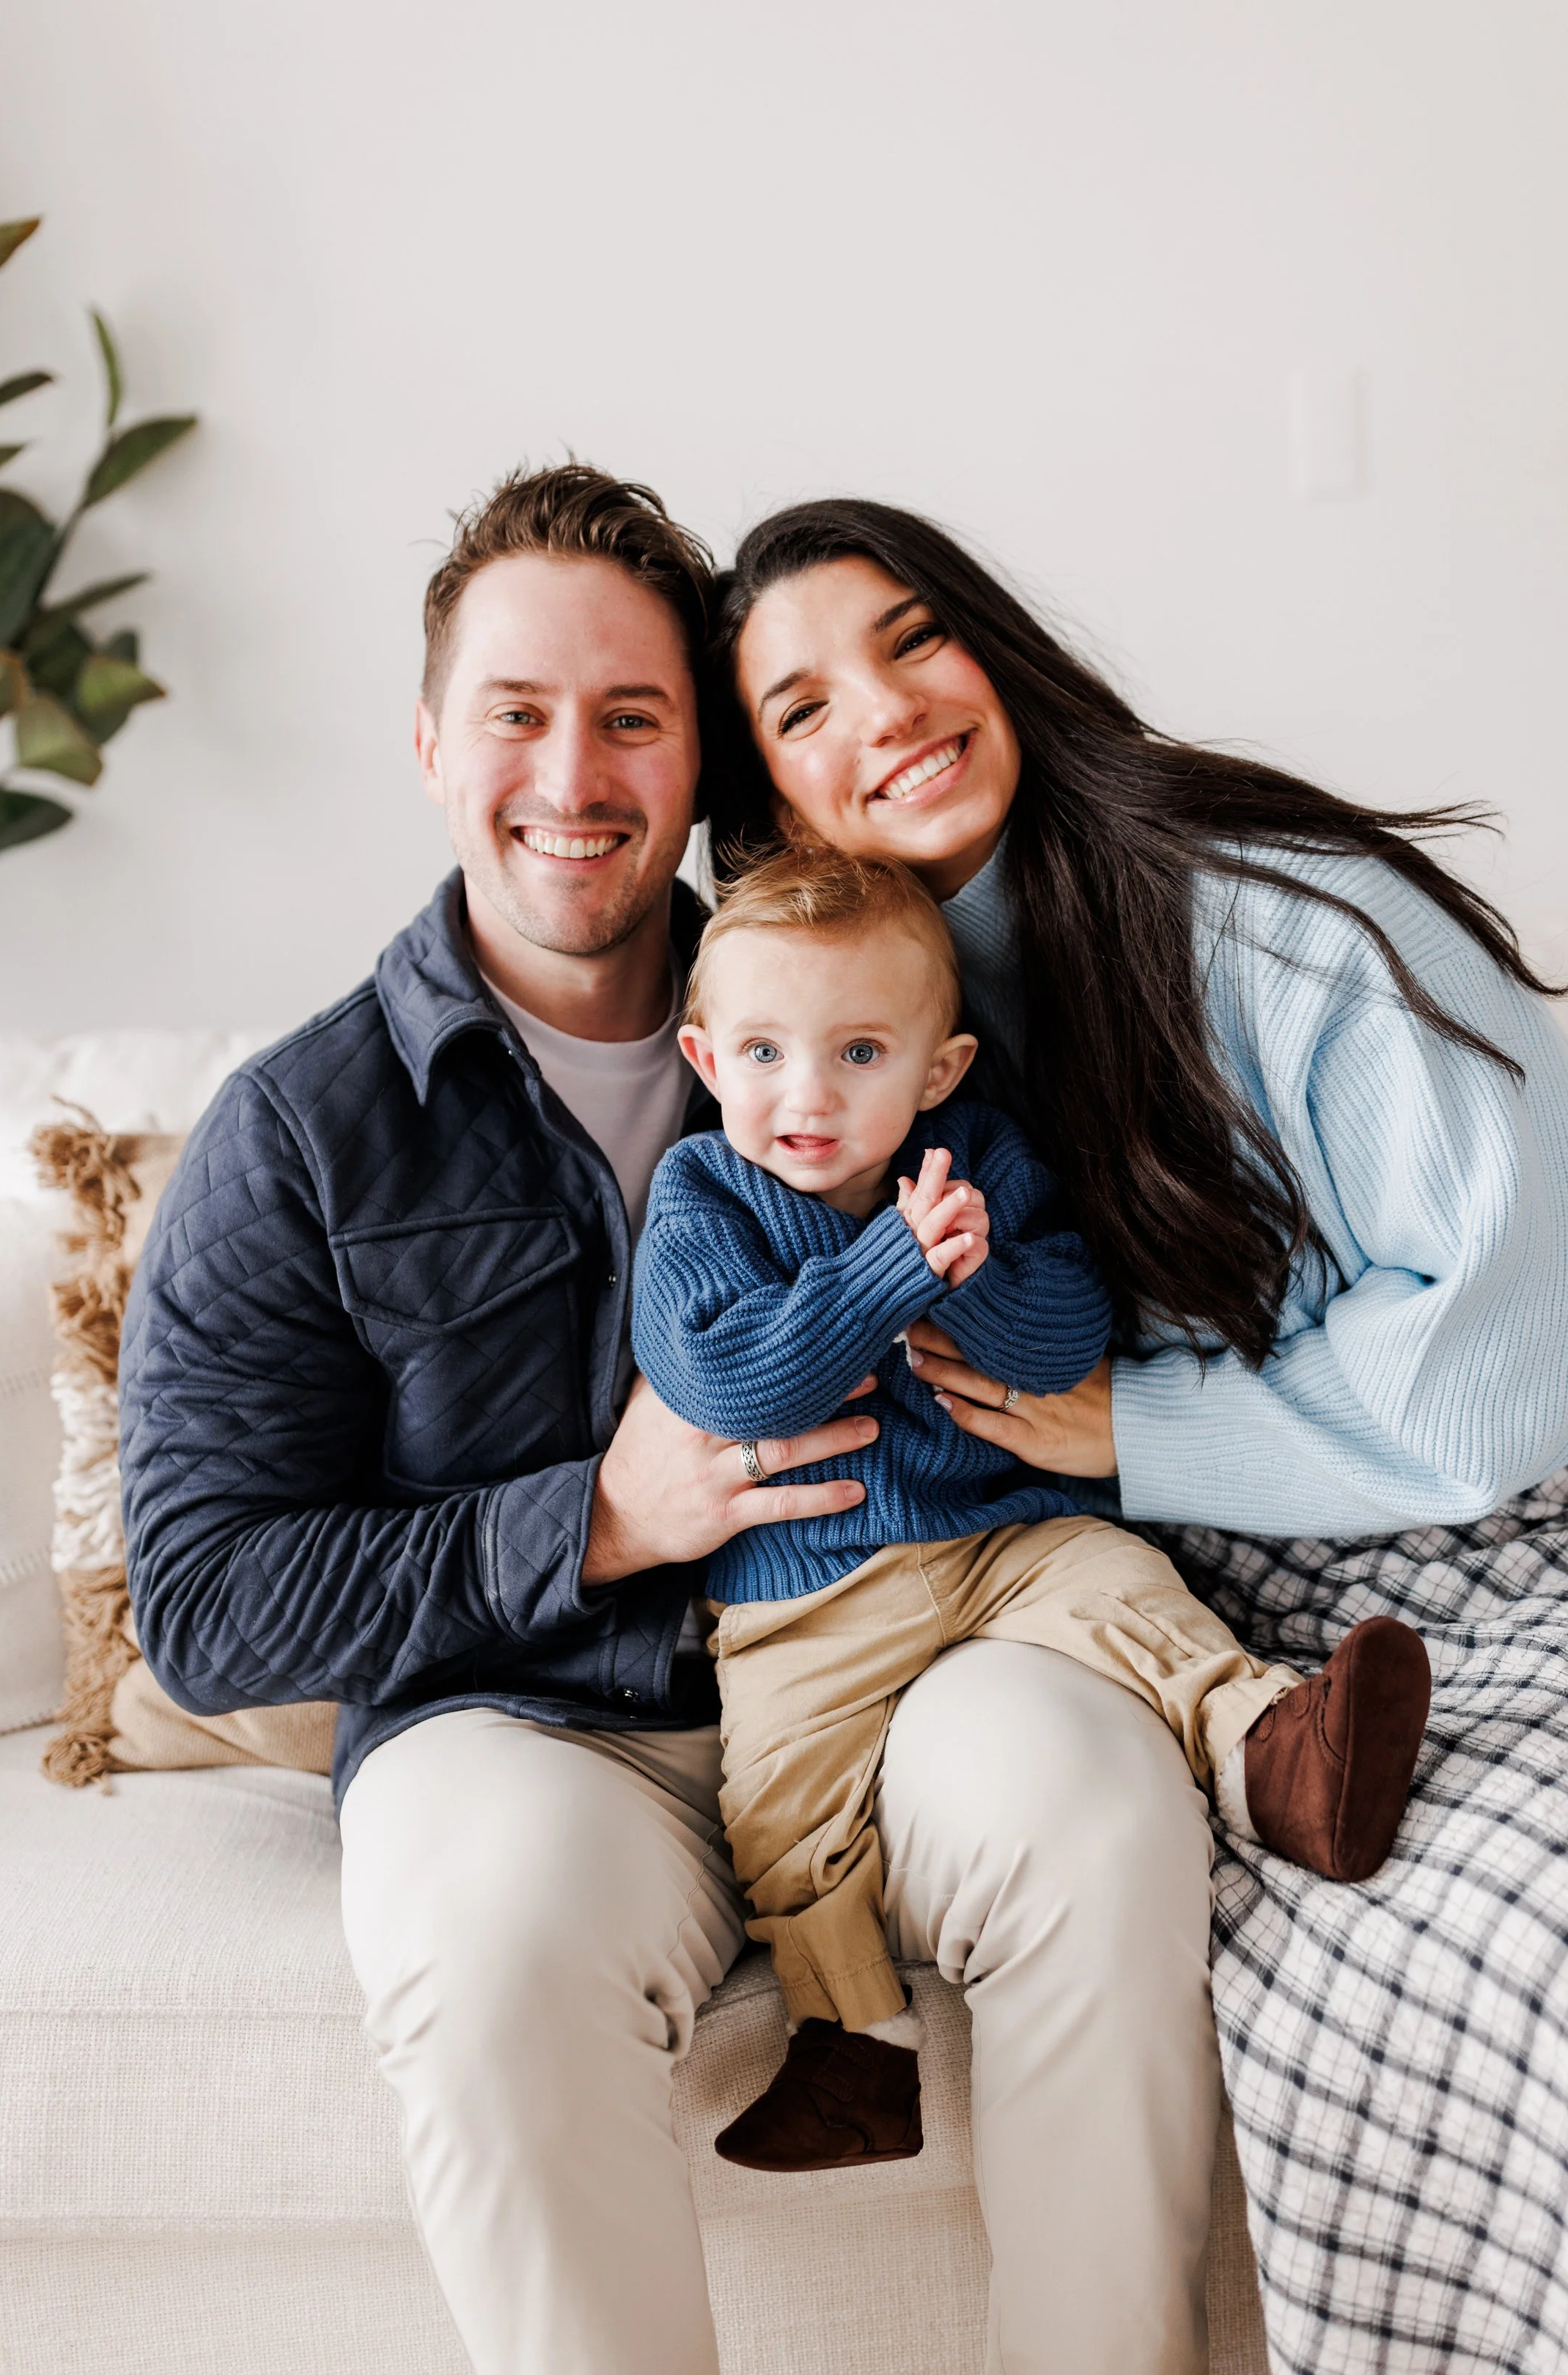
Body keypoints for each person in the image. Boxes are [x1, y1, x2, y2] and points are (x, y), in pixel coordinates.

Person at [119, 463, 1231, 2375]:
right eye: (518, 712)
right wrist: (597, 1520)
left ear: (701, 747)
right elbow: (209, 1602)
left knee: (1096, 1796)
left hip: (897, 1651)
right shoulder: (300, 1132)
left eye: (633, 714)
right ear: (427, 739)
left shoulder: (890, 1003)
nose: (577, 768)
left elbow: (1103, 1283)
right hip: (539, 1728)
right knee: (489, 1916)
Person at [704, 495, 1568, 2371]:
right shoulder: (865, 1037)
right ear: (775, 809)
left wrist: (1140, 1430)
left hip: (1481, 1558)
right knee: (1405, 1961)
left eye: (915, 637)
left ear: (998, 649)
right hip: (1190, 1620)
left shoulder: (1278, 918)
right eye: (800, 705)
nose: (887, 710)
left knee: (1534, 1952)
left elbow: (1510, 1355)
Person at [633, 843, 1430, 2173]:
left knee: (1130, 1595)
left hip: (1005, 1536)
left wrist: (967, 1275)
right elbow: (727, 1374)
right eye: (764, 1054)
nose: (807, 1096)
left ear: (938, 1067)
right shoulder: (703, 1194)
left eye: (860, 1053)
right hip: (807, 1593)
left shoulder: (980, 1155)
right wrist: (896, 1267)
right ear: (707, 1060)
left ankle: (1276, 1754)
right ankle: (853, 2049)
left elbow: (1067, 1335)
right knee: (777, 1803)